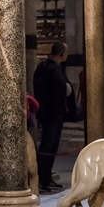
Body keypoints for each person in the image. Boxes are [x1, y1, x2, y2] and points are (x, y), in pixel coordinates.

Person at [33, 40, 69, 194]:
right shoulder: (47, 69)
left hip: (57, 114)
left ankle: (47, 177)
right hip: (50, 114)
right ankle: (41, 178)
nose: (67, 55)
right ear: (61, 53)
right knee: (47, 146)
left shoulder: (56, 68)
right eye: (66, 52)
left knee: (53, 146)